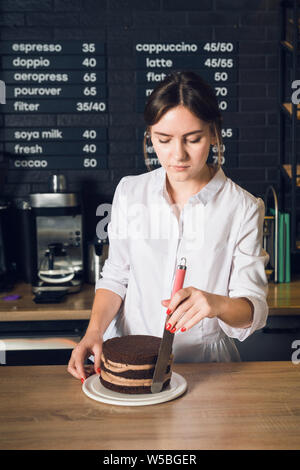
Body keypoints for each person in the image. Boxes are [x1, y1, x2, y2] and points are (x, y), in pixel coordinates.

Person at [68, 70, 269, 382]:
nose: (178, 155)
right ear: (150, 135)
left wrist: (215, 303)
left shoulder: (242, 207)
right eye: (164, 140)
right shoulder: (130, 192)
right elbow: (116, 275)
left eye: (194, 139)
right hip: (129, 358)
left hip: (206, 367)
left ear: (214, 133)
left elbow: (253, 307)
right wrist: (92, 332)